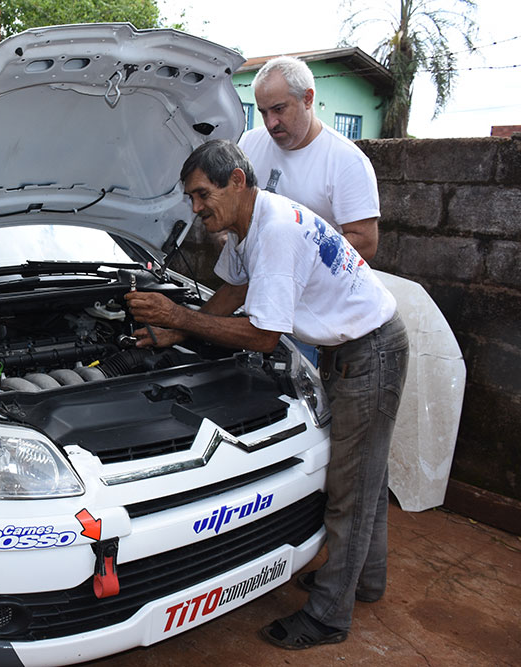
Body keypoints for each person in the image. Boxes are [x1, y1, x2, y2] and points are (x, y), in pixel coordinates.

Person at [124, 139, 408, 649]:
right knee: (367, 473)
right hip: (353, 348)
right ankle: (364, 581)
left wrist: (176, 316)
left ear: (237, 181)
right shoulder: (246, 226)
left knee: (350, 488)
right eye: (190, 197)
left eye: (201, 194)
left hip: (373, 351)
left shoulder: (275, 232)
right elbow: (232, 294)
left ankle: (328, 615)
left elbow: (262, 334)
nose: (195, 208)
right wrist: (177, 334)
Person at [241, 56, 379, 260]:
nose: (271, 123)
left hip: (314, 289)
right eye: (263, 112)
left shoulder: (347, 161)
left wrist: (298, 257)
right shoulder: (248, 144)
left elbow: (366, 243)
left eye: (279, 109)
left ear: (308, 99)